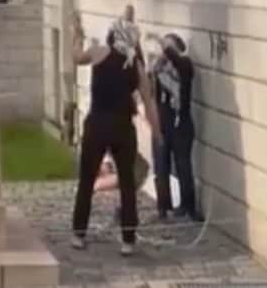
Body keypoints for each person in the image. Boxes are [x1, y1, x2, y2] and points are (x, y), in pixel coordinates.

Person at [71, 19, 160, 255]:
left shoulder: (100, 52)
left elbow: (77, 57)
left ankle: (78, 234)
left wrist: (77, 36)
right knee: (128, 185)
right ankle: (128, 240)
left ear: (113, 36)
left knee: (86, 180)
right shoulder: (136, 66)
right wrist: (157, 132)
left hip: (97, 124)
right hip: (122, 127)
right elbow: (149, 104)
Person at [151, 32, 202, 221]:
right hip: (163, 123)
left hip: (181, 124)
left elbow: (178, 63)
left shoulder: (185, 65)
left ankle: (188, 206)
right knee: (161, 166)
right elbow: (154, 96)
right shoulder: (160, 69)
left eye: (170, 47)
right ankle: (163, 207)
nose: (165, 52)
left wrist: (164, 46)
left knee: (183, 166)